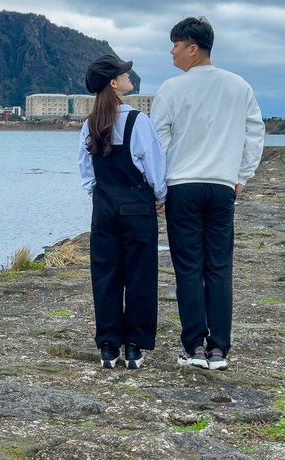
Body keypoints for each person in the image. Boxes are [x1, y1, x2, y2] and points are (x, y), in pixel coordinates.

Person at [151, 17, 264, 371]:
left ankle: (194, 348)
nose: (171, 51)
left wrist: (158, 185)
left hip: (182, 187)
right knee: (218, 268)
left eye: (176, 45)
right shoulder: (239, 86)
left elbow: (159, 142)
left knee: (187, 269)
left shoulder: (171, 88)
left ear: (193, 49)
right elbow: (255, 132)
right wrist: (242, 177)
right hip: (221, 188)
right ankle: (219, 351)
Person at [79, 54, 167, 369]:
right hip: (136, 206)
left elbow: (87, 172)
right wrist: (160, 195)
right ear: (114, 83)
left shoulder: (90, 123)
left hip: (103, 208)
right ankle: (133, 347)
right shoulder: (138, 121)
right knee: (140, 276)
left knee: (106, 276)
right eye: (124, 73)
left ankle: (107, 346)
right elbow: (153, 165)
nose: (131, 76)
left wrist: (101, 196)